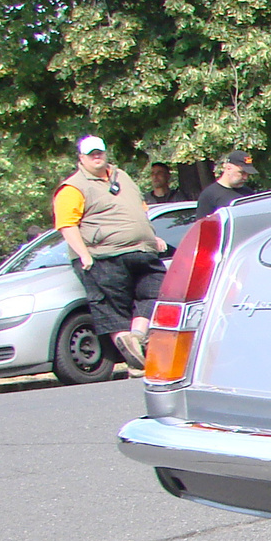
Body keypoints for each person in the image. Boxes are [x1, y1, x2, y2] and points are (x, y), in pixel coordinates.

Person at [53, 136, 168, 375]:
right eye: (91, 154)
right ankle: (134, 354)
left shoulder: (121, 177)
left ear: (106, 154)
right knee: (114, 308)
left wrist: (151, 236)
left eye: (100, 152)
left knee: (157, 289)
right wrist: (84, 256)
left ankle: (135, 338)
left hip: (141, 251)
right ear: (81, 158)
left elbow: (140, 210)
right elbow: (67, 225)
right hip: (103, 255)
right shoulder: (72, 188)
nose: (97, 157)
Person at [194, 150, 259, 218]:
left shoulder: (248, 192)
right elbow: (203, 225)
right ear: (228, 168)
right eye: (241, 173)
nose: (245, 177)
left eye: (247, 174)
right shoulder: (209, 195)